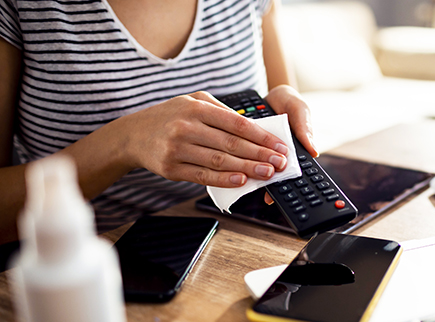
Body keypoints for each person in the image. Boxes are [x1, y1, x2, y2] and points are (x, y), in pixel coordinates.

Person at [0, 0, 317, 244]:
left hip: (240, 237)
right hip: (93, 260)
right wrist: (126, 142)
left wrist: (278, 116)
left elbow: (278, 93)